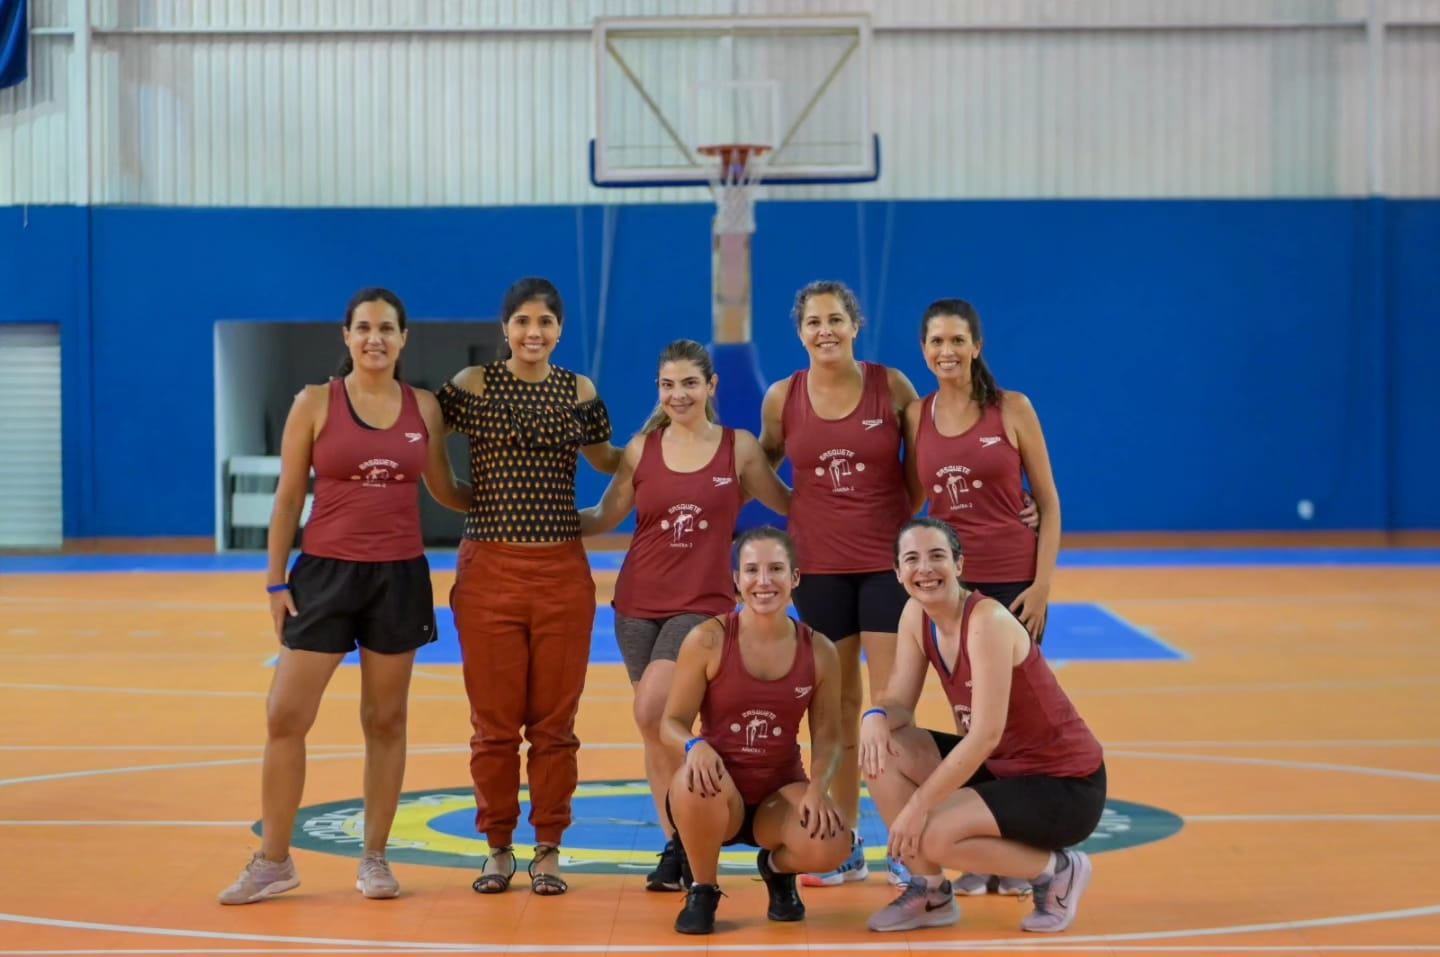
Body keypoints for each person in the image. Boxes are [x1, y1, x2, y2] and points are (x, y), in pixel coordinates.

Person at [219, 287, 472, 905]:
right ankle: (274, 860)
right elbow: (286, 501)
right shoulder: (314, 403)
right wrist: (276, 581)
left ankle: (376, 859)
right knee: (285, 715)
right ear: (347, 336)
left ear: (403, 338)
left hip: (398, 578)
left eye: (387, 328)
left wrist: (518, 502)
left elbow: (444, 489)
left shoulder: (425, 408)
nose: (375, 339)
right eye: (364, 328)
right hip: (324, 577)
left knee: (384, 721)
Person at [578, 339, 791, 892]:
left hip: (701, 606)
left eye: (689, 383)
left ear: (711, 386)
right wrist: (536, 517)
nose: (678, 394)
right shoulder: (642, 450)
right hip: (635, 605)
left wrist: (867, 502)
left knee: (652, 714)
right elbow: (605, 514)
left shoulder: (738, 449)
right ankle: (678, 843)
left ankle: (699, 829)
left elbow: (792, 504)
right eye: (668, 385)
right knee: (656, 732)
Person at [438, 276, 624, 897]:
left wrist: (674, 440)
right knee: (492, 726)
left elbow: (608, 463)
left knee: (555, 726)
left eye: (544, 322)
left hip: (563, 577)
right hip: (489, 572)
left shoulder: (581, 391)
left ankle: (548, 849)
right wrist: (459, 499)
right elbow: (425, 445)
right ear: (505, 328)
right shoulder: (471, 387)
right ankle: (497, 848)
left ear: (560, 329)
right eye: (521, 321)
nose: (533, 333)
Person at [860, 518, 1104, 934]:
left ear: (959, 564)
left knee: (932, 834)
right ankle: (930, 893)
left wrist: (917, 807)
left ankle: (1057, 870)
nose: (925, 569)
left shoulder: (986, 621)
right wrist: (875, 717)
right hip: (1005, 771)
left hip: (1065, 783)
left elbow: (985, 735)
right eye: (912, 559)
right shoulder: (916, 614)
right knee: (884, 749)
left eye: (938, 556)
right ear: (898, 572)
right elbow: (899, 703)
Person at [757, 280, 920, 886]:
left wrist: (900, 530)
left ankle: (905, 844)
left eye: (835, 320)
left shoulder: (891, 386)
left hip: (884, 566)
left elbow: (920, 470)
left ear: (856, 324)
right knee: (838, 710)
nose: (824, 331)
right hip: (819, 569)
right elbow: (759, 463)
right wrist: (798, 510)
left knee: (890, 709)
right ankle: (847, 843)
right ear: (799, 332)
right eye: (812, 323)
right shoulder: (783, 396)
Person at [903, 297, 1060, 895]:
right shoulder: (918, 416)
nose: (946, 351)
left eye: (957, 340)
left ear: (976, 346)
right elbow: (913, 503)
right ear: (923, 350)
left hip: (1015, 590)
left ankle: (1026, 853)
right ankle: (985, 854)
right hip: (952, 593)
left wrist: (1042, 586)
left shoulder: (1012, 409)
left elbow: (1047, 502)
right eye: (935, 342)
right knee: (971, 719)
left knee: (1019, 724)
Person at [660, 526, 851, 934]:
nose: (764, 582)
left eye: (776, 569)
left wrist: (819, 787)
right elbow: (670, 723)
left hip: (779, 794)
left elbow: (829, 735)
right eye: (752, 570)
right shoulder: (708, 639)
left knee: (834, 842)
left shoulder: (819, 650)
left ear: (795, 578)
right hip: (718, 793)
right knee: (691, 781)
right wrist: (694, 744)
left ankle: (777, 870)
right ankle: (703, 888)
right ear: (736, 580)